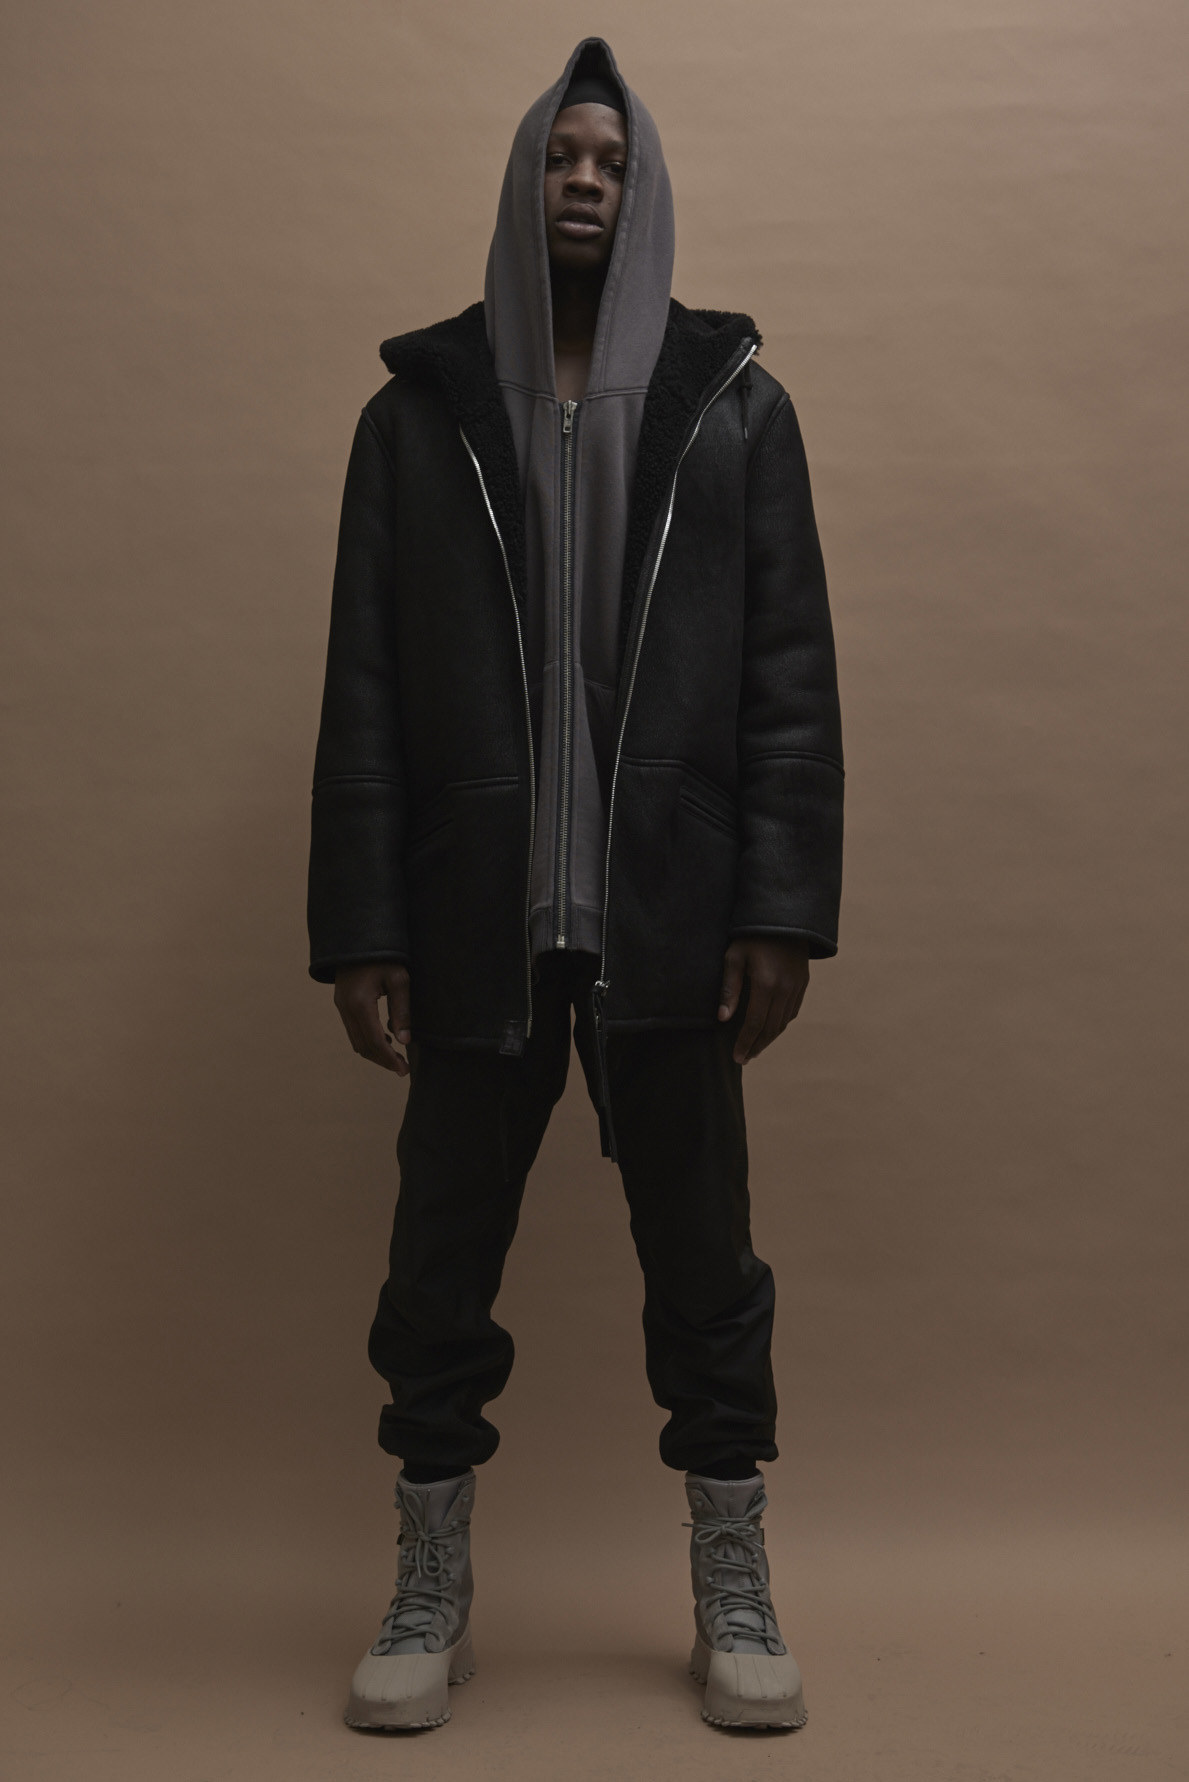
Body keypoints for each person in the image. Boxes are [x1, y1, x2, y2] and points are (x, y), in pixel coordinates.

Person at [307, 36, 843, 1733]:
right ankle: (427, 1586)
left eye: (611, 160)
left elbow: (786, 677)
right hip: (474, 918)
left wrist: (776, 906)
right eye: (562, 157)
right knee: (435, 1264)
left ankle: (733, 1584)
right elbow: (365, 690)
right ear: (523, 181)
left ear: (645, 186)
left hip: (665, 920)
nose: (586, 182)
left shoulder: (734, 407)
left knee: (707, 1266)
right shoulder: (417, 416)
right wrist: (364, 926)